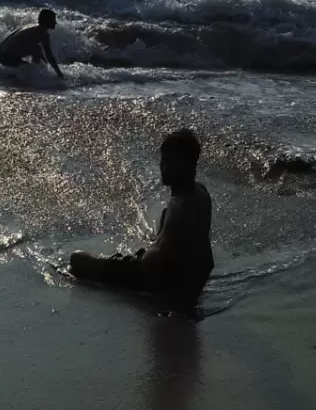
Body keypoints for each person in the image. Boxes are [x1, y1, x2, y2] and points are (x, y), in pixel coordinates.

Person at [70, 128, 214, 309]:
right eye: (163, 160)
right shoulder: (197, 192)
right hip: (149, 268)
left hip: (145, 278)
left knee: (76, 259)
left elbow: (206, 261)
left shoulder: (185, 208)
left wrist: (183, 307)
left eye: (171, 162)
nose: (163, 167)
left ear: (186, 165)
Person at [0, 8, 64, 79]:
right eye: (53, 20)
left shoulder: (31, 26)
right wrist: (60, 74)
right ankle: (36, 76)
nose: (55, 23)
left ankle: (36, 72)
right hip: (6, 59)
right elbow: (49, 56)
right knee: (37, 50)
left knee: (37, 49)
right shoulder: (42, 33)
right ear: (47, 21)